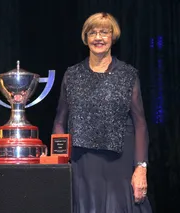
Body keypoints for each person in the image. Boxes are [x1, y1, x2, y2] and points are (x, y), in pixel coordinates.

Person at [52, 12, 152, 212]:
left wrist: (141, 167)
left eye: (104, 32)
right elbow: (60, 121)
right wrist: (58, 162)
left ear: (113, 37)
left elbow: (140, 123)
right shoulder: (72, 75)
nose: (98, 38)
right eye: (92, 33)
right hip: (82, 164)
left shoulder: (128, 74)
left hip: (119, 164)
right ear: (85, 38)